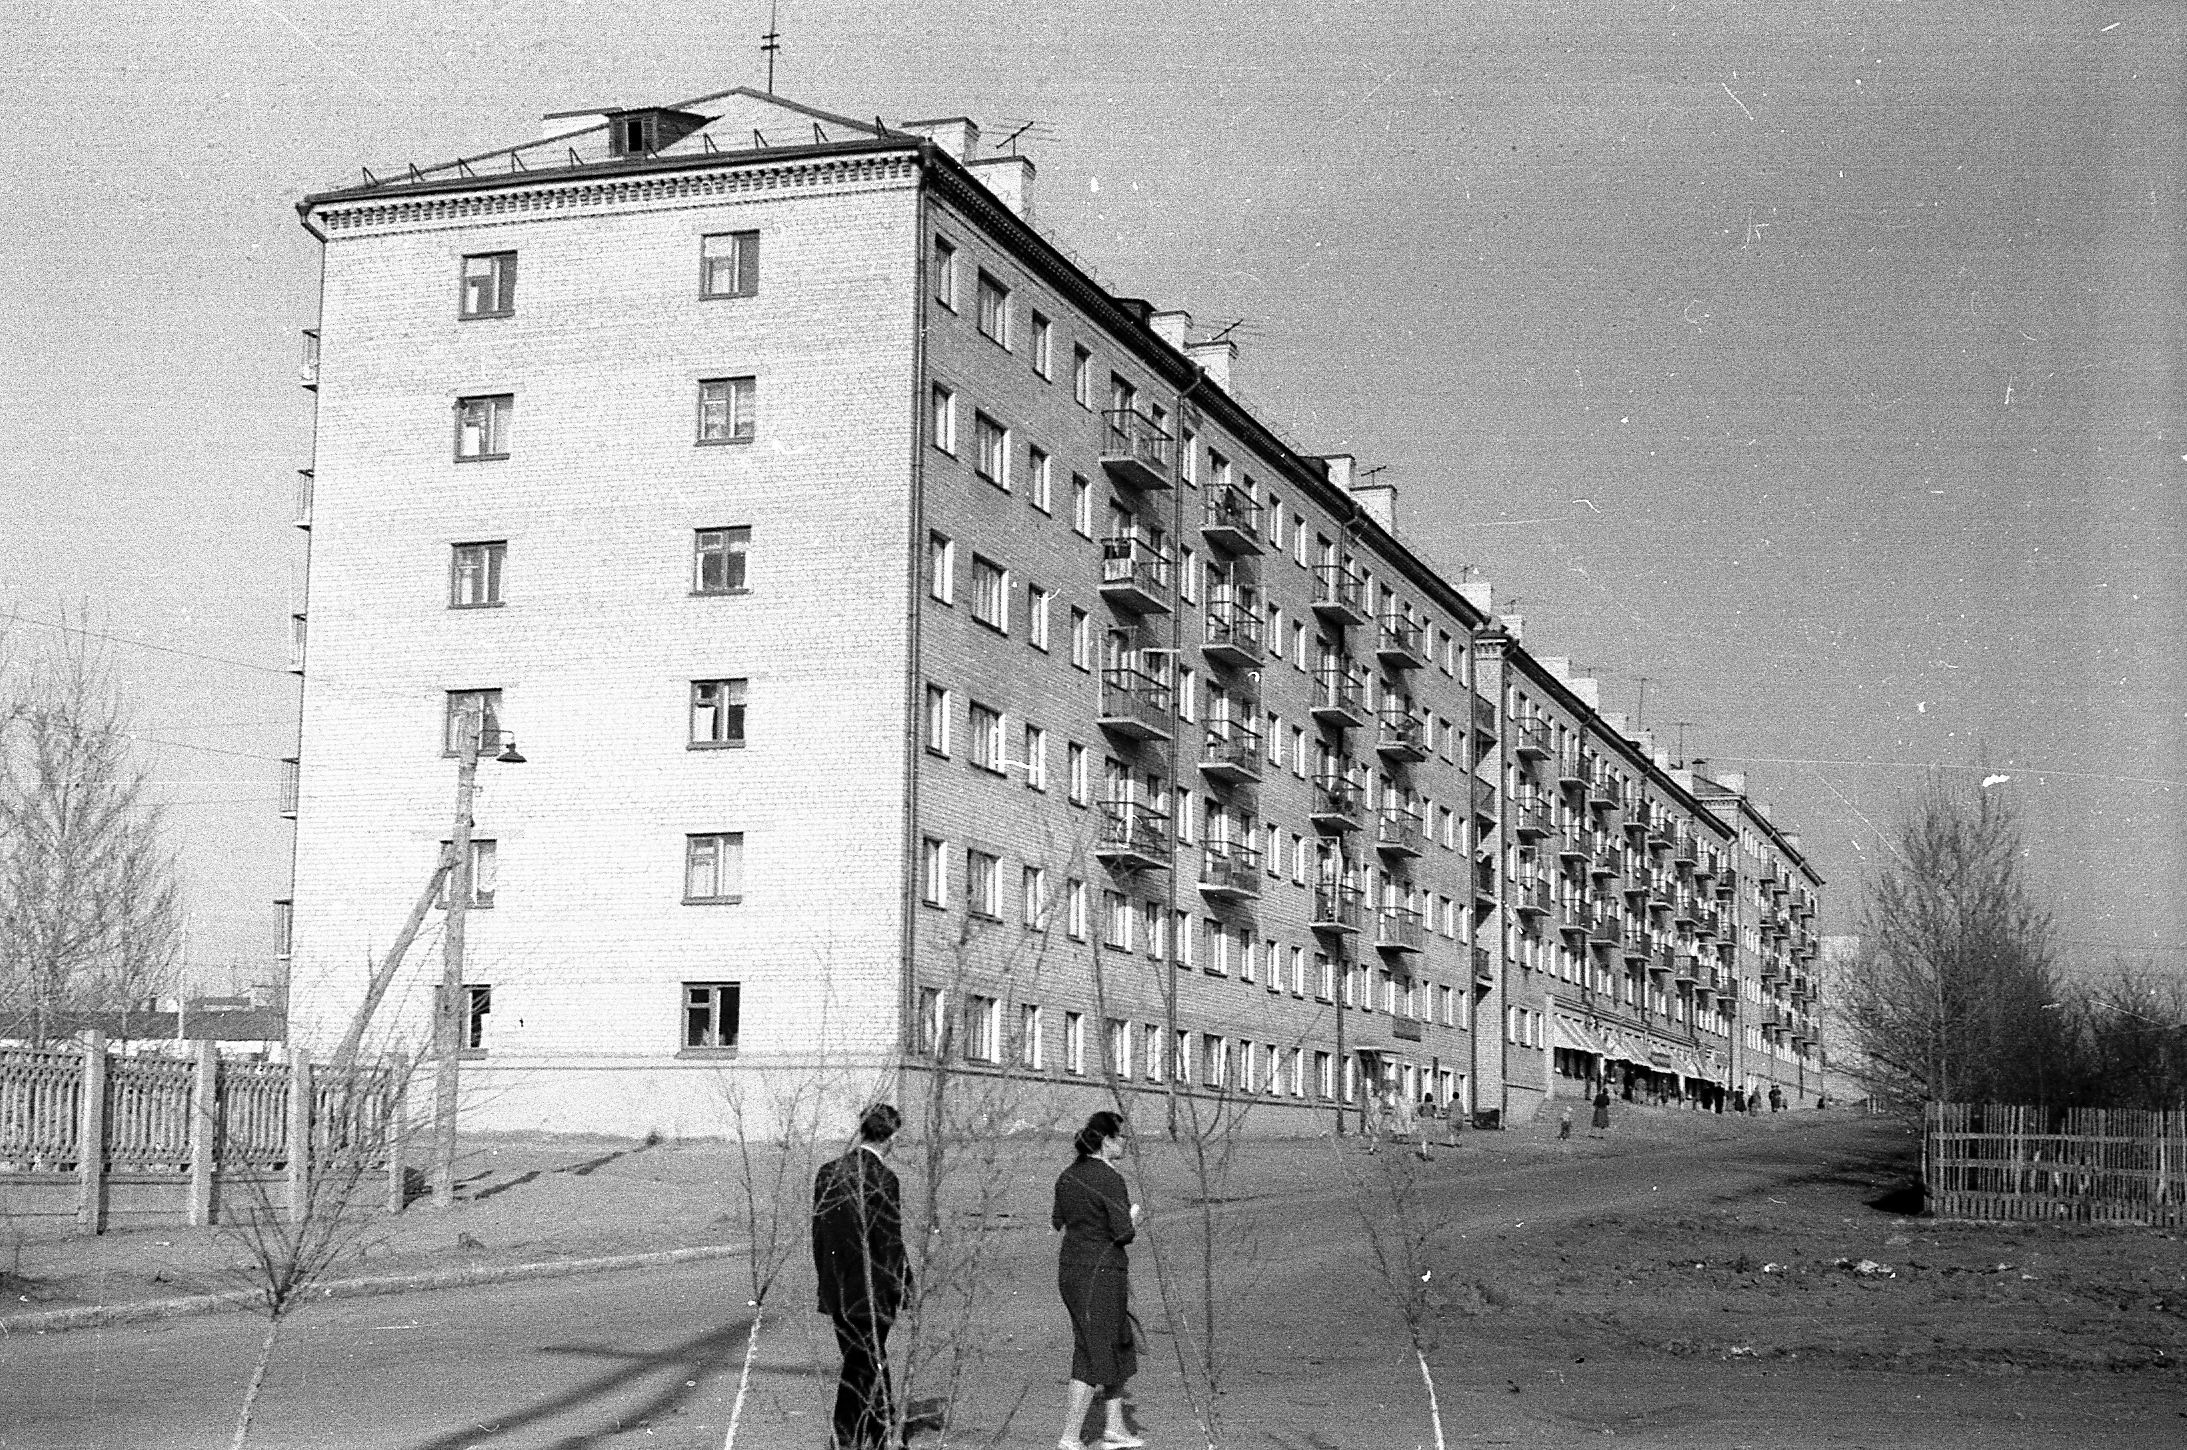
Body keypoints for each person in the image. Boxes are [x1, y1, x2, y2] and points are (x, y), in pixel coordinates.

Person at [813, 1103, 911, 1450]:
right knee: (864, 1363)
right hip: (872, 1288)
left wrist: (826, 1280)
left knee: (866, 1359)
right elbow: (889, 1238)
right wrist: (903, 1286)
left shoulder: (828, 1172)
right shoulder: (884, 1179)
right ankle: (849, 1438)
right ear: (891, 1137)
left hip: (837, 1286)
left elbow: (819, 1234)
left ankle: (883, 1433)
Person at [1054, 1111, 1144, 1450]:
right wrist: (1132, 1218)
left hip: (1073, 1270)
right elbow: (1122, 1233)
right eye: (1122, 1138)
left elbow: (1058, 1220)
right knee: (1095, 1349)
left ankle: (1115, 1428)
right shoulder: (1110, 1179)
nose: (1125, 1144)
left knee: (1114, 1341)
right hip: (1102, 1272)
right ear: (1106, 1141)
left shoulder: (1067, 1175)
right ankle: (1070, 1436)